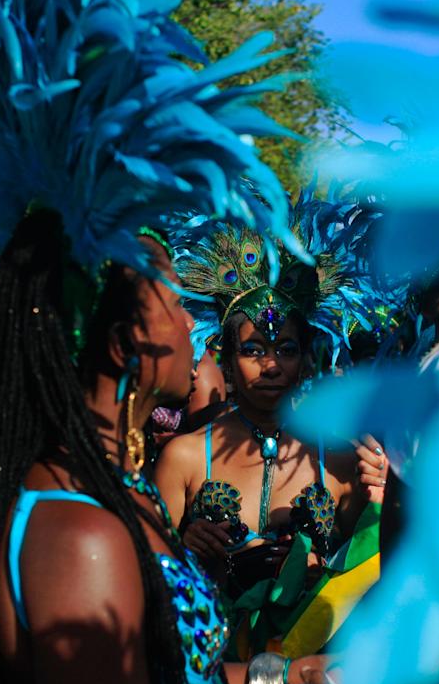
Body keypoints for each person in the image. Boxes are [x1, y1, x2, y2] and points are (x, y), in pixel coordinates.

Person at [0, 0, 366, 684]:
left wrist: (295, 673)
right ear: (123, 345)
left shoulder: (101, 493)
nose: (189, 319)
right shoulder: (78, 536)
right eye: (174, 296)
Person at [156, 200, 390, 659]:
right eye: (253, 350)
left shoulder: (341, 459)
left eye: (285, 349)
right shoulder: (183, 457)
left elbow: (370, 571)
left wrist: (380, 502)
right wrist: (185, 549)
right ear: (226, 357)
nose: (270, 365)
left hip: (308, 672)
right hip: (210, 667)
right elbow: (147, 571)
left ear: (306, 361)